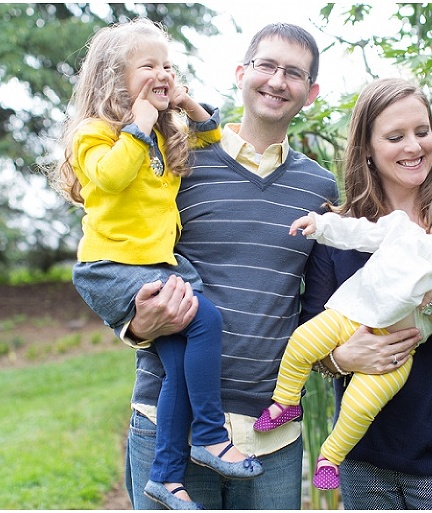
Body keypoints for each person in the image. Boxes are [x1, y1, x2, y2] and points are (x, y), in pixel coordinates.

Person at [119, 23, 360, 510]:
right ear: (241, 73)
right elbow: (125, 256)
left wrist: (339, 357)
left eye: (293, 73)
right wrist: (132, 322)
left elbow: (319, 307)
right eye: (266, 65)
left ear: (310, 94)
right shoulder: (178, 163)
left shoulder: (320, 190)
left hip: (271, 433)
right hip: (172, 424)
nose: (277, 81)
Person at [53, 18, 262, 510]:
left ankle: (165, 476)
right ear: (112, 79)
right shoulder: (95, 134)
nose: (161, 72)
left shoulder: (165, 133)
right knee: (206, 319)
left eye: (167, 64)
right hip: (113, 265)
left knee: (178, 368)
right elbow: (110, 177)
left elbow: (211, 139)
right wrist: (142, 118)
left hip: (154, 264)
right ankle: (210, 436)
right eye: (147, 65)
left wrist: (184, 105)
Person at [299, 78, 432, 509]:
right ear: (367, 148)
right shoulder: (340, 230)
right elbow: (311, 330)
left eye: (422, 131)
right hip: (364, 457)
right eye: (395, 137)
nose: (413, 147)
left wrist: (423, 292)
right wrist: (342, 358)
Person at [254, 173, 432, 490]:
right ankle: (286, 402)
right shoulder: (403, 231)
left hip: (397, 354)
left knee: (362, 406)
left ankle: (330, 457)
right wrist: (322, 225)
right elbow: (359, 233)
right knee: (301, 342)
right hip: (349, 317)